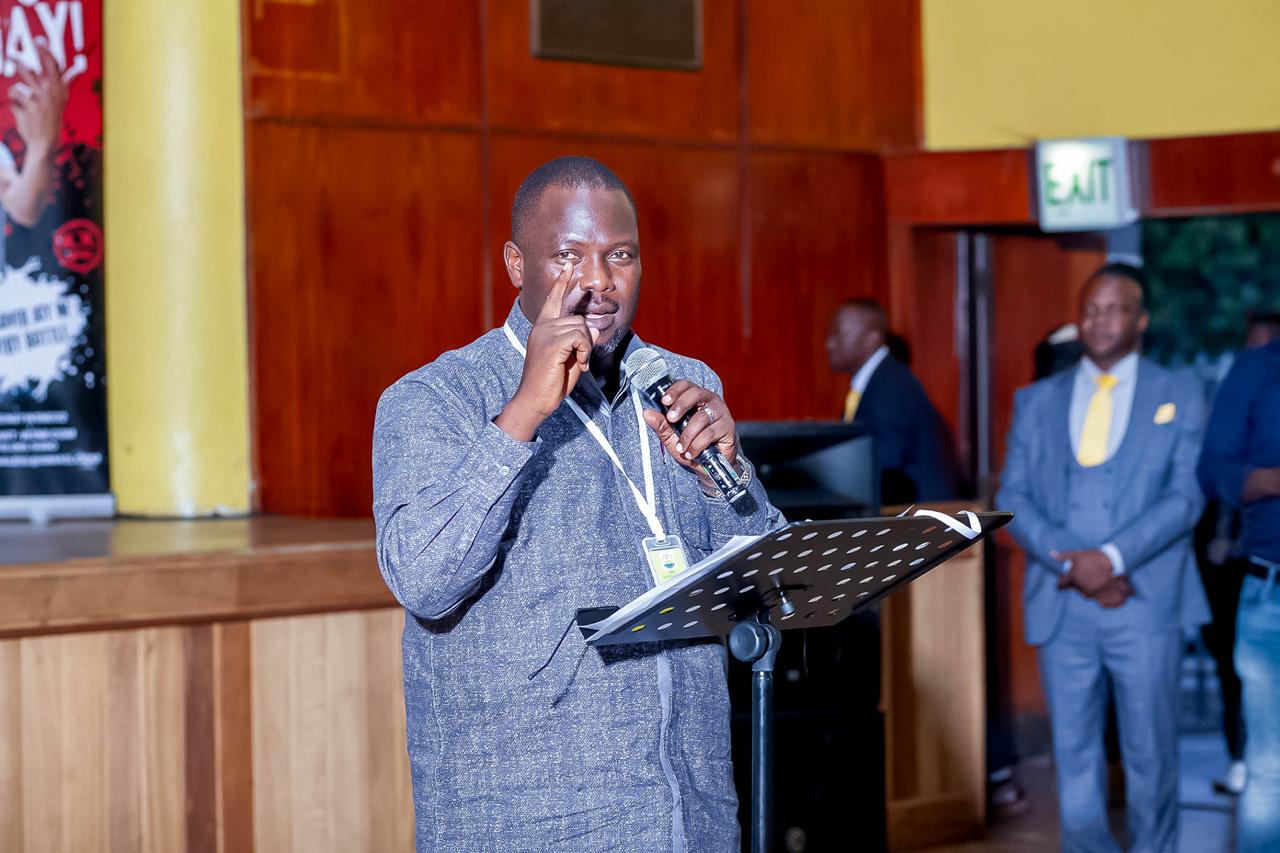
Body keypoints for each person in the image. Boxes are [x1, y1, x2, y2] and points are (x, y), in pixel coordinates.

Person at [372, 156, 783, 853]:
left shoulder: (681, 384)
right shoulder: (436, 398)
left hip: (691, 814)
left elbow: (764, 581)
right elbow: (423, 579)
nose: (599, 281)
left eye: (620, 255)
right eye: (568, 256)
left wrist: (723, 476)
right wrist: (523, 414)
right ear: (516, 264)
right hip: (531, 819)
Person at [997, 262, 1208, 853]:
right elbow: (1013, 495)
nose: (1099, 320)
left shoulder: (1180, 391)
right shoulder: (1036, 400)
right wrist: (1075, 566)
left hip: (1146, 601)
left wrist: (1111, 559)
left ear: (1140, 320)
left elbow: (1187, 496)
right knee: (1074, 757)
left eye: (1114, 309)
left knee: (1151, 753)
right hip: (1062, 600)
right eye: (1090, 309)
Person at [1197, 311, 1280, 852]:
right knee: (1269, 767)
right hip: (1271, 594)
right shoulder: (1254, 371)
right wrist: (1269, 480)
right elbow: (1213, 470)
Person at [825, 298, 958, 505]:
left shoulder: (890, 385)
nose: (829, 344)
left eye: (838, 334)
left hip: (919, 513)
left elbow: (887, 458)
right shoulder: (877, 380)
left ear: (871, 338)